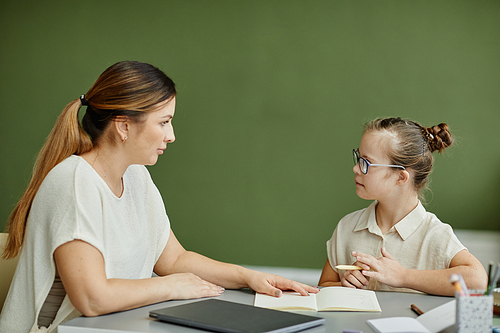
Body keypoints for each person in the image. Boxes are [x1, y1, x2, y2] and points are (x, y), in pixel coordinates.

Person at [0, 61, 319, 333]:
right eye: (164, 122)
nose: (172, 135)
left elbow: (174, 260)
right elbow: (92, 298)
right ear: (123, 126)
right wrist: (170, 286)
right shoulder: (74, 182)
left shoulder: (136, 176)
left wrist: (251, 277)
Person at [318, 117, 487, 295]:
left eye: (366, 163)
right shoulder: (347, 226)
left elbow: (478, 281)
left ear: (401, 177)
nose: (356, 169)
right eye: (358, 157)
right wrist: (344, 284)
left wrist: (402, 276)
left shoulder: (434, 234)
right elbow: (324, 285)